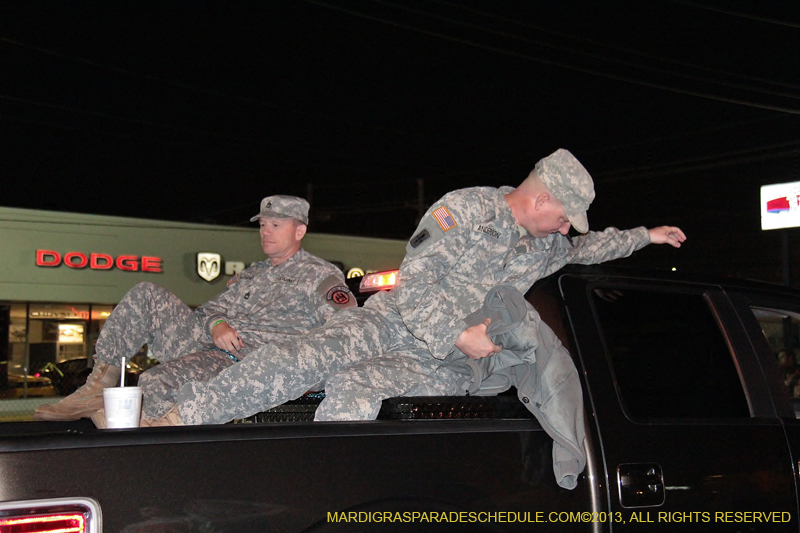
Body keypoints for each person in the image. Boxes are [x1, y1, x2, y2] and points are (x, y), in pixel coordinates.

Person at [144, 148, 686, 427]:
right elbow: (419, 279)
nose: (569, 227)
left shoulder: (545, 244)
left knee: (355, 393)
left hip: (441, 363)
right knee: (293, 359)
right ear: (542, 198)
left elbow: (591, 247)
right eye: (567, 215)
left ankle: (332, 496)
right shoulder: (466, 209)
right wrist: (458, 333)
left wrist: (647, 236)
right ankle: (177, 422)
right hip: (396, 323)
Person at [34, 195, 355, 423]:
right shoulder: (252, 274)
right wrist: (216, 324)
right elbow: (206, 313)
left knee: (153, 382)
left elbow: (343, 331)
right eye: (263, 225)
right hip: (212, 344)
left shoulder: (320, 275)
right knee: (147, 293)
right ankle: (98, 384)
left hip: (251, 363)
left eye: (276, 225)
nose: (266, 232)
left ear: (299, 232)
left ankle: (148, 450)